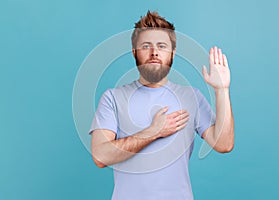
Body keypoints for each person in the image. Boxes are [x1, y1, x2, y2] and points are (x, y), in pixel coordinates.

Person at [89, 11, 234, 200]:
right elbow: (100, 156)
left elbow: (224, 144)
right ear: (134, 52)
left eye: (162, 46)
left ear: (172, 53)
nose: (154, 52)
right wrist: (154, 132)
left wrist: (222, 90)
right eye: (146, 46)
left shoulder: (191, 97)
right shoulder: (113, 98)